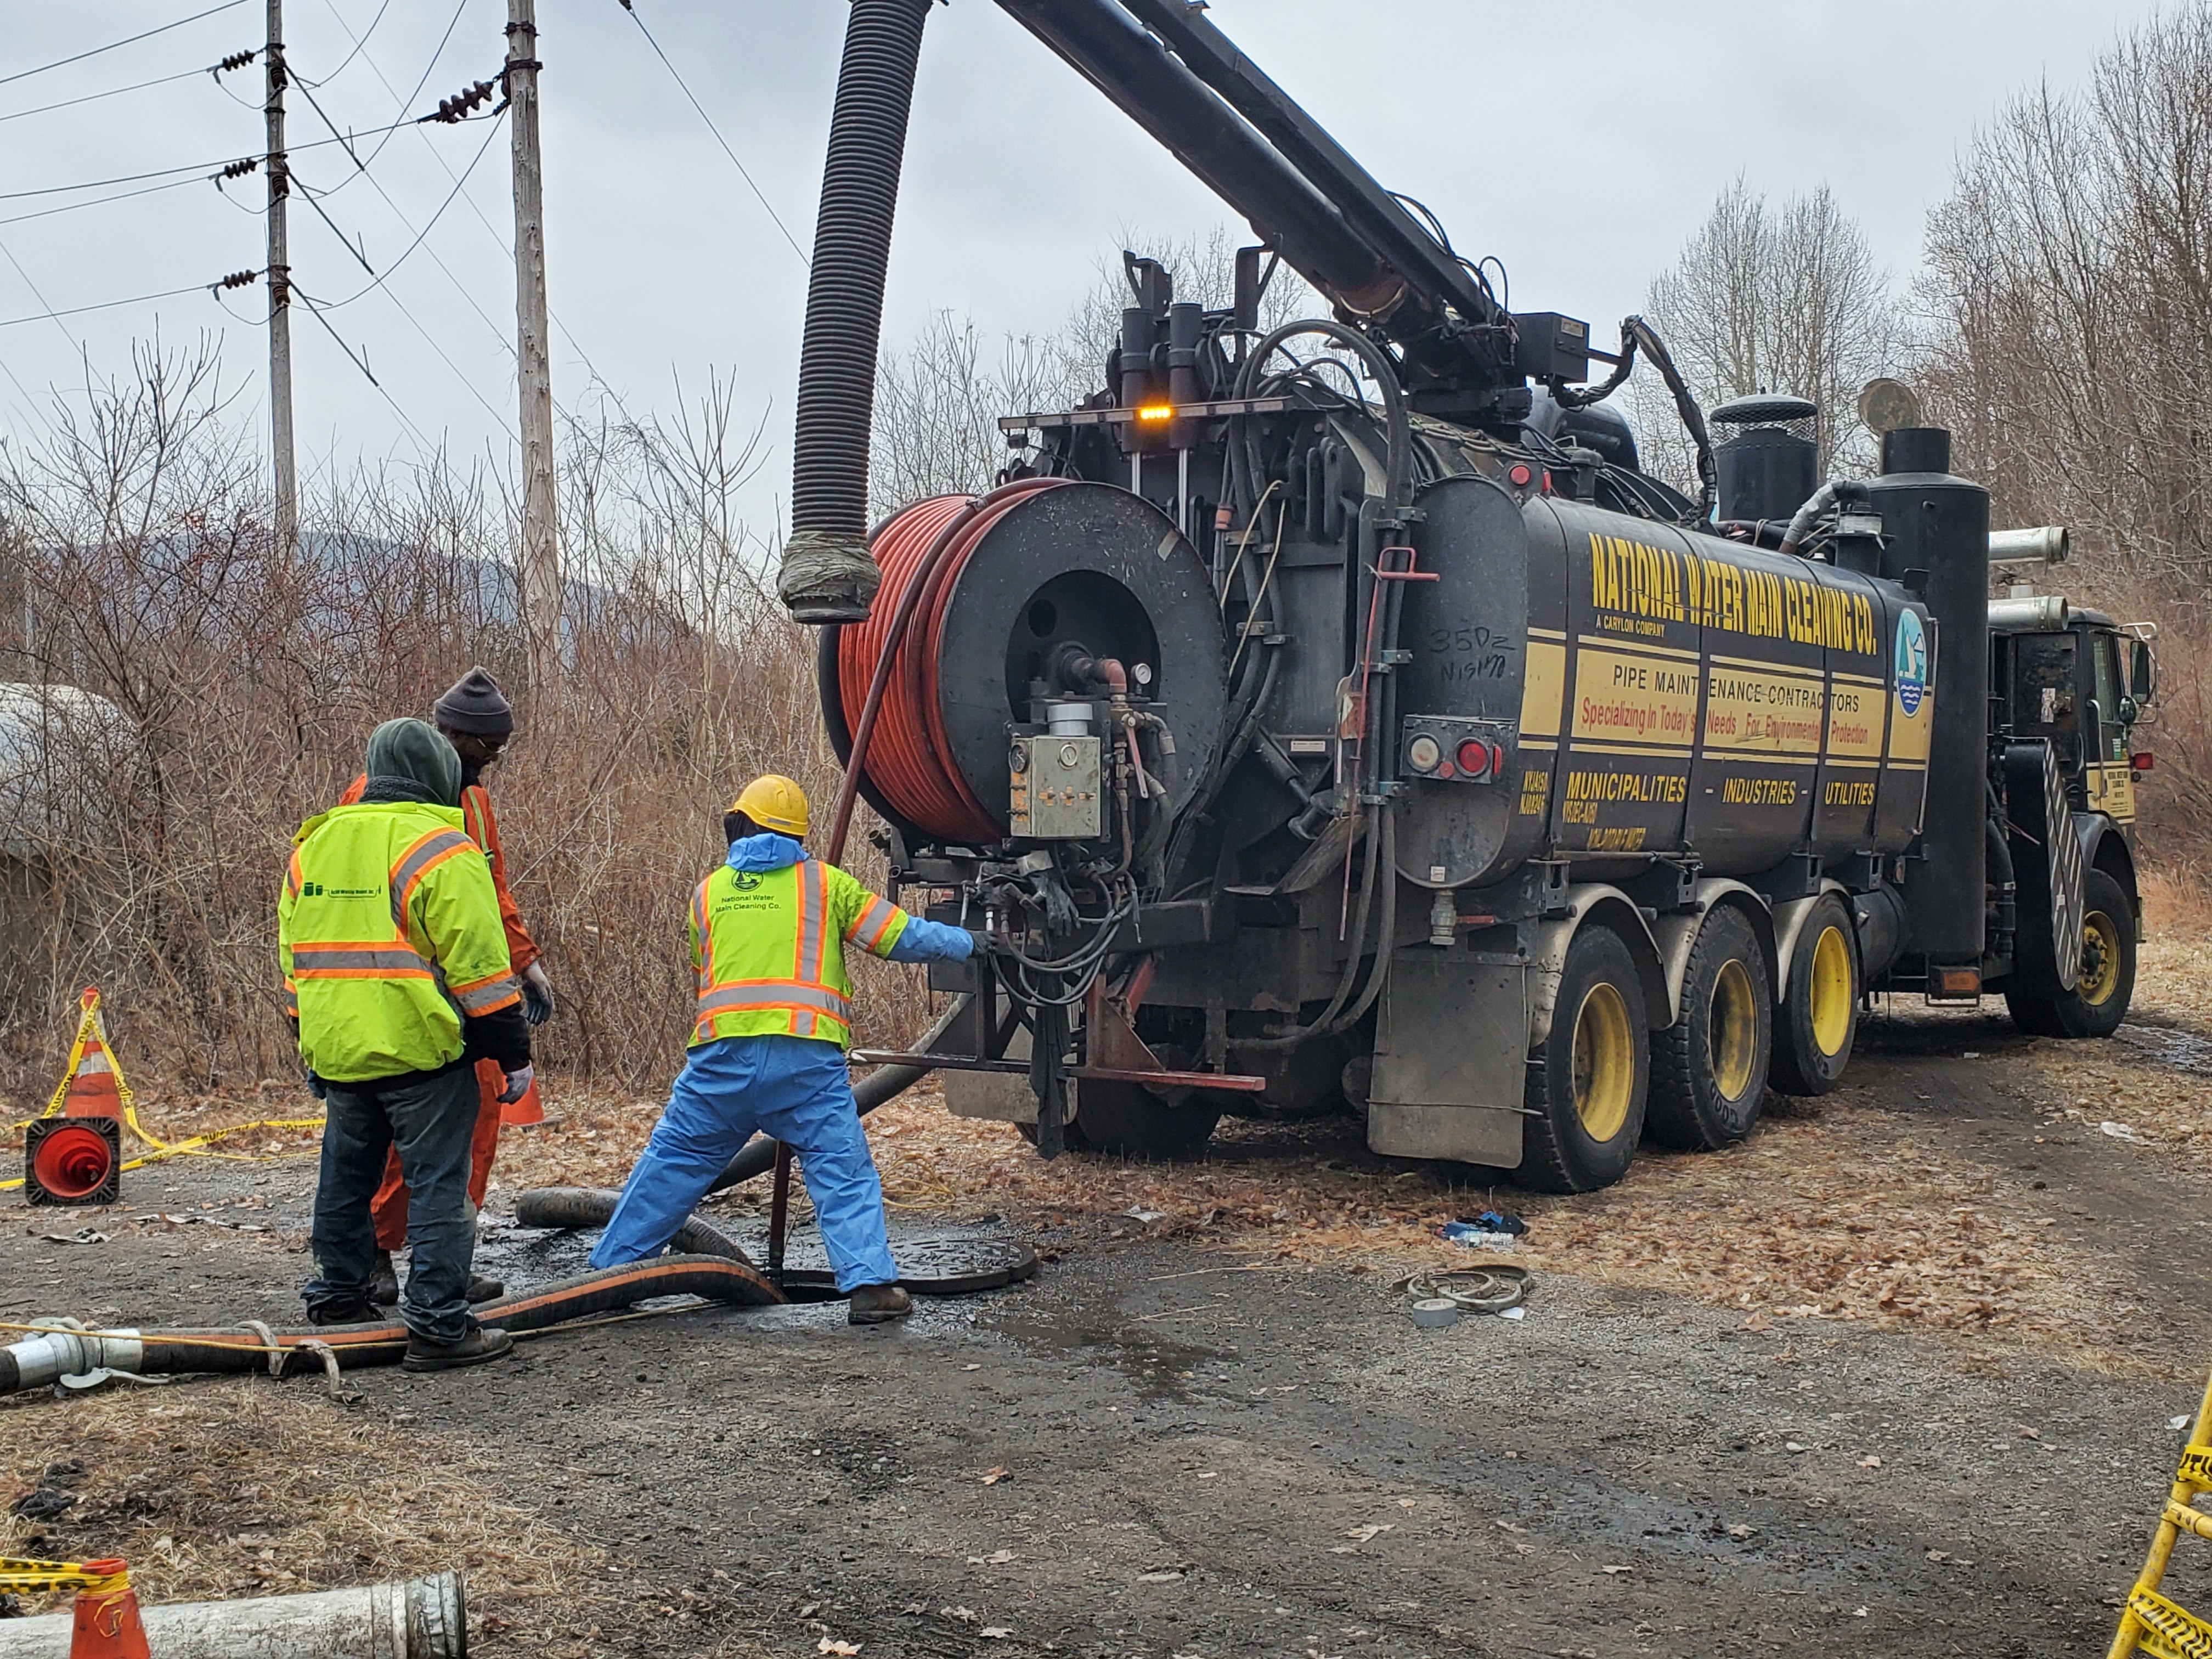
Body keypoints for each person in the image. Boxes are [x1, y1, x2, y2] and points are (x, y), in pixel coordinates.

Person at [588, 774, 975, 1325]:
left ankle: (608, 1278)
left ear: (738, 825)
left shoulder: (708, 893)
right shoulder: (826, 885)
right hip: (804, 1068)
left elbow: (705, 968)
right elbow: (902, 937)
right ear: (797, 835)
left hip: (720, 1068)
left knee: (672, 1166)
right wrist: (969, 943)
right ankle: (869, 1288)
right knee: (841, 1170)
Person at [281, 718, 532, 1370]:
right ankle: (439, 1327)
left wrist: (309, 1040)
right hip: (420, 1050)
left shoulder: (315, 842)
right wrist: (513, 1055)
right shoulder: (444, 848)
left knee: (344, 1179)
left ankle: (339, 1302)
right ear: (439, 775)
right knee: (439, 1187)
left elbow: (295, 959)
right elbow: (481, 968)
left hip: (337, 1048)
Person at [334, 667, 556, 1308]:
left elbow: (492, 891)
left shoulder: (476, 805)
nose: (492, 761)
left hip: (465, 989)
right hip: (398, 994)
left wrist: (525, 962)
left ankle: (446, 1261)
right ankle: (374, 1256)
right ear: (453, 735)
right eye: (487, 748)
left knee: (476, 1127)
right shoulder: (368, 798)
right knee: (392, 1142)